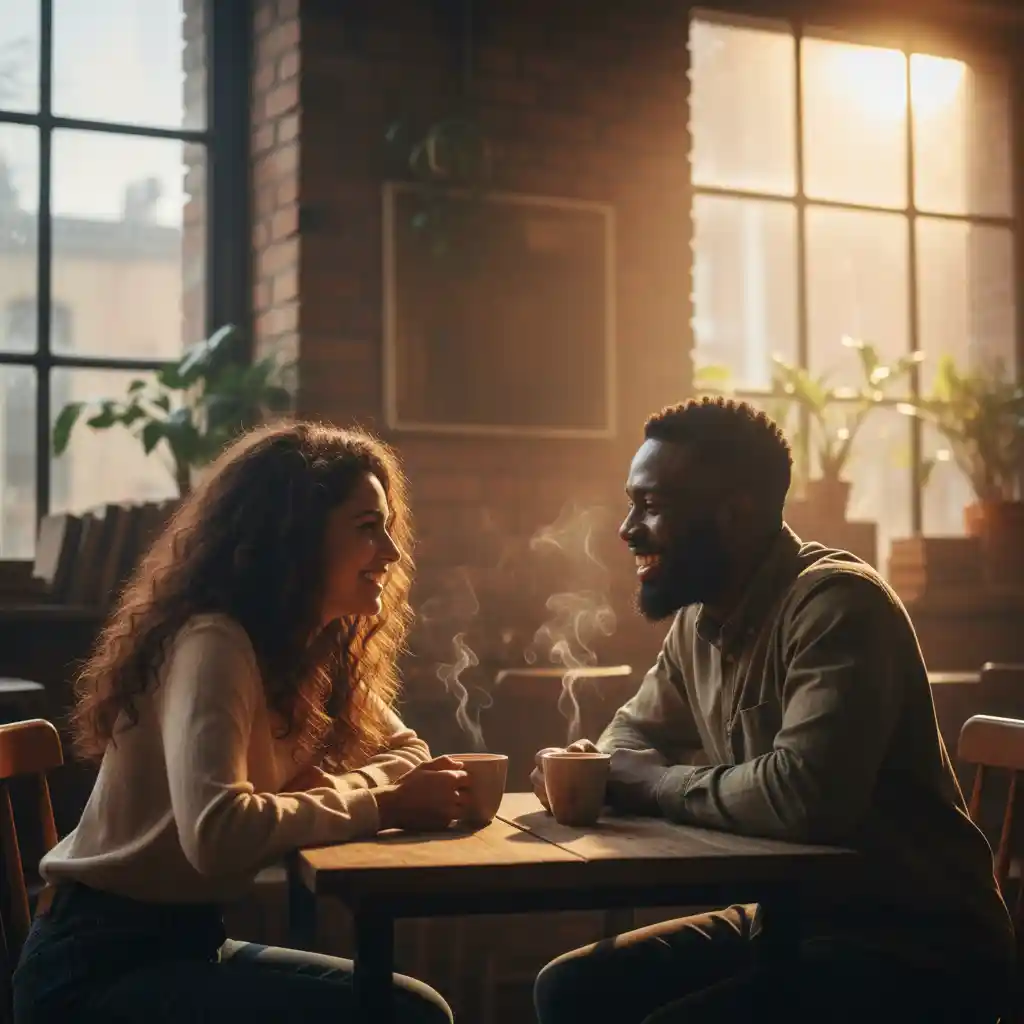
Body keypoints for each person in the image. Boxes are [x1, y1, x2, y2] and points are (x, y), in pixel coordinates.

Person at [530, 398, 1014, 1024]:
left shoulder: (839, 606)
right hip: (789, 919)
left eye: (651, 506)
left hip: (914, 941)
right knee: (570, 990)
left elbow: (803, 798)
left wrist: (650, 783)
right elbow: (630, 736)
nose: (627, 528)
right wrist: (595, 767)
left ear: (735, 515)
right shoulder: (698, 621)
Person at [13, 422, 463, 1024]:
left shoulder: (308, 651)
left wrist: (343, 792)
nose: (392, 552)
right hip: (93, 967)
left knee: (415, 1009)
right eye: (366, 529)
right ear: (296, 540)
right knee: (406, 1017)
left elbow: (409, 752)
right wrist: (383, 806)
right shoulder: (214, 642)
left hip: (189, 944)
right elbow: (218, 834)